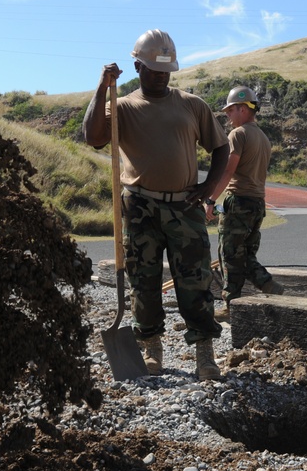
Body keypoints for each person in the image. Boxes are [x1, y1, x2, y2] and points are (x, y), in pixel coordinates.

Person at [83, 29, 230, 381]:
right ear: (138, 67)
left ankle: (205, 354)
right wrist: (103, 85)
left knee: (195, 282)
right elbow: (93, 137)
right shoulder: (122, 106)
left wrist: (209, 188)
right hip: (140, 208)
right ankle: (150, 347)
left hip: (185, 208)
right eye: (154, 70)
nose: (161, 76)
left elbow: (221, 148)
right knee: (143, 282)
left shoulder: (192, 104)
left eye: (166, 70)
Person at [205, 86, 284, 322]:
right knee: (246, 253)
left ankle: (231, 307)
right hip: (258, 203)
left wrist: (210, 200)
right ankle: (268, 285)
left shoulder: (238, 135)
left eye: (230, 110)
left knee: (229, 254)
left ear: (242, 108)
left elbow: (228, 171)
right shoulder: (264, 138)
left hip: (238, 201)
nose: (228, 116)